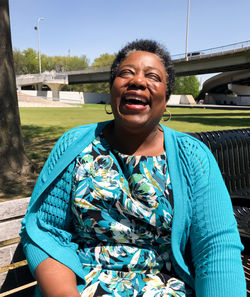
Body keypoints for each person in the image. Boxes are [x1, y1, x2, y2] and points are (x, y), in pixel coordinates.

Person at [20, 39, 246, 297]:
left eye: (153, 76)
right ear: (112, 89)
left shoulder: (193, 157)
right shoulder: (73, 146)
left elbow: (216, 248)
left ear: (166, 97)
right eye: (126, 73)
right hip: (81, 286)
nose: (138, 81)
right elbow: (46, 232)